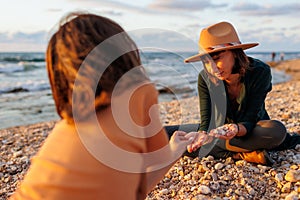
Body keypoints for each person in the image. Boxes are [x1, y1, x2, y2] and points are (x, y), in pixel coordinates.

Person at [10, 12, 199, 200]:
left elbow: (133, 190)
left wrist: (174, 151)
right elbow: (157, 158)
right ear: (124, 57)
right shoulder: (137, 94)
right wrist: (173, 151)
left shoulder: (65, 130)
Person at [165, 21, 300, 165]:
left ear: (235, 53)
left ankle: (229, 152)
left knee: (276, 131)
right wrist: (203, 134)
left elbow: (250, 117)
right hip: (216, 132)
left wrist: (235, 129)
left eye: (216, 59)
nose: (212, 69)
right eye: (206, 62)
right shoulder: (204, 78)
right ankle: (242, 154)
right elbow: (207, 120)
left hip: (252, 129)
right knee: (164, 134)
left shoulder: (260, 72)